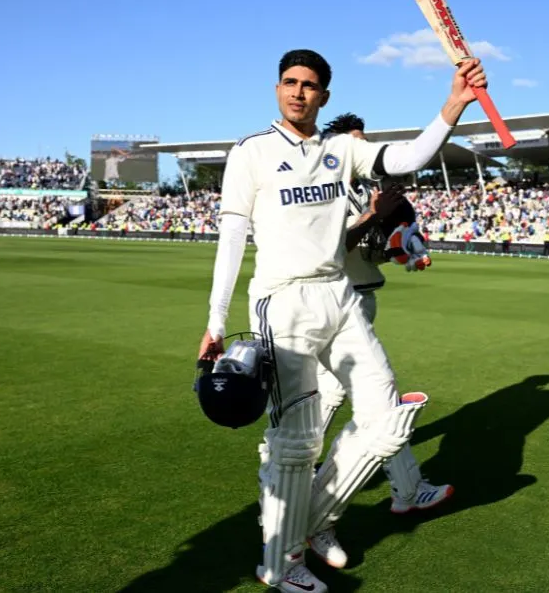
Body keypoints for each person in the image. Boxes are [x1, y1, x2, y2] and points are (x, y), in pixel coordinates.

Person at [199, 49, 487, 593]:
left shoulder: (340, 150)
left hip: (341, 295)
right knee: (295, 443)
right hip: (283, 303)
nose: (298, 92)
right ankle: (280, 562)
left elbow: (406, 159)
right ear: (277, 87)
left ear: (323, 96)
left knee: (386, 422)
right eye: (289, 82)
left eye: (309, 85)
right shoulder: (252, 152)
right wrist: (216, 322)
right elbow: (232, 237)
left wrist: (453, 105)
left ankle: (308, 527)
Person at [299, 113, 453, 568]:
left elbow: (376, 247)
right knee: (366, 403)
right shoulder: (321, 189)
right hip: (332, 306)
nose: (363, 152)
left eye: (365, 143)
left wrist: (406, 249)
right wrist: (373, 215)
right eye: (355, 143)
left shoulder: (366, 188)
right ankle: (314, 498)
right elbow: (329, 250)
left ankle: (393, 491)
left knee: (350, 403)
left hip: (361, 300)